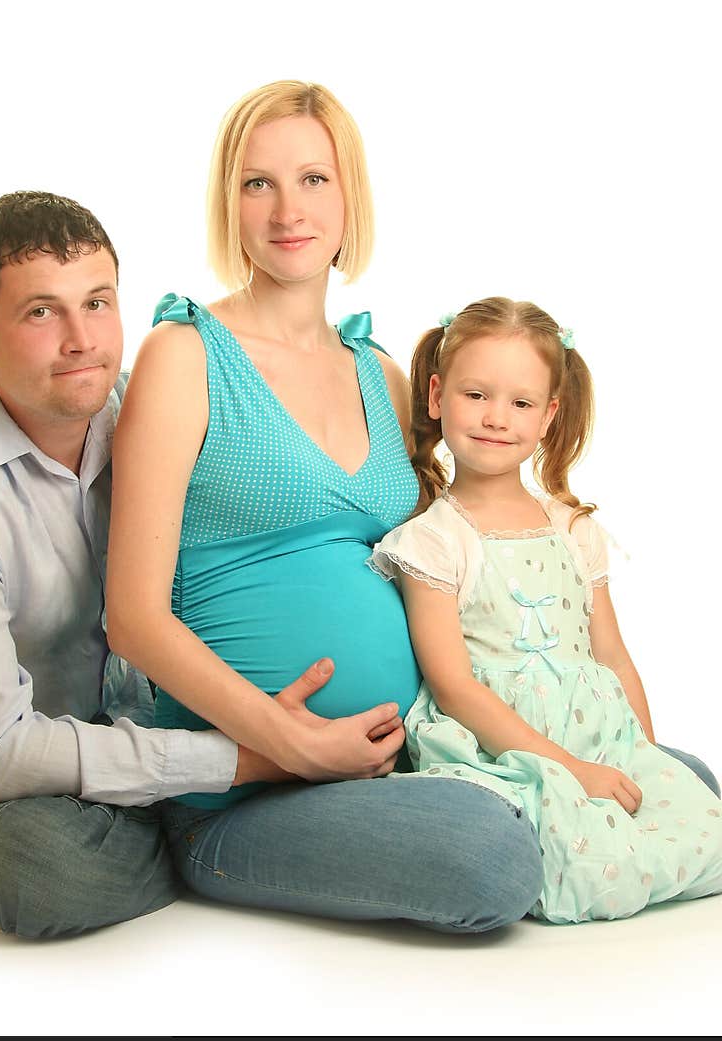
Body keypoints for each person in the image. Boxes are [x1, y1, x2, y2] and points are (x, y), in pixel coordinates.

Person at [0, 189, 399, 939]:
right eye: (40, 312)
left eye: (98, 302)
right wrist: (247, 761)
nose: (82, 338)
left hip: (151, 722)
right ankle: (208, 835)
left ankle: (201, 815)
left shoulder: (150, 404)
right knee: (45, 871)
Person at [106, 80, 546, 932]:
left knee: (685, 788)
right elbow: (133, 619)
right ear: (228, 203)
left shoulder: (381, 372)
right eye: (257, 183)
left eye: (314, 179)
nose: (286, 211)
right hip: (240, 793)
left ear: (351, 198)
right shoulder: (185, 355)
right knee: (491, 861)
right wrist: (290, 741)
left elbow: (441, 567)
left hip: (411, 747)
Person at [370, 296, 722, 922]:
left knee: (703, 826)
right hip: (504, 741)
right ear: (435, 395)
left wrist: (644, 751)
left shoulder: (572, 527)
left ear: (549, 414)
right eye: (475, 395)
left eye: (521, 403)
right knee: (587, 872)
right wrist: (568, 769)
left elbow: (610, 653)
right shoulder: (435, 539)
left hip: (597, 729)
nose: (496, 418)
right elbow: (453, 686)